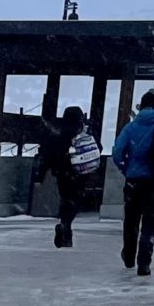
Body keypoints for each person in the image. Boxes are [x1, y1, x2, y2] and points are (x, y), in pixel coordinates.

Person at [110, 91, 154, 278]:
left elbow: (117, 152)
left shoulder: (131, 128)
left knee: (131, 219)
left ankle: (129, 256)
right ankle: (145, 262)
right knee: (150, 220)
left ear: (140, 107)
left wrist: (125, 168)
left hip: (134, 180)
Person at [44, 105, 102, 249]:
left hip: (62, 172)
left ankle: (66, 233)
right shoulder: (84, 133)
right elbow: (97, 149)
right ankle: (66, 227)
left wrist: (43, 172)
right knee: (75, 201)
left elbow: (49, 154)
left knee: (65, 199)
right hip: (80, 172)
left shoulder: (59, 134)